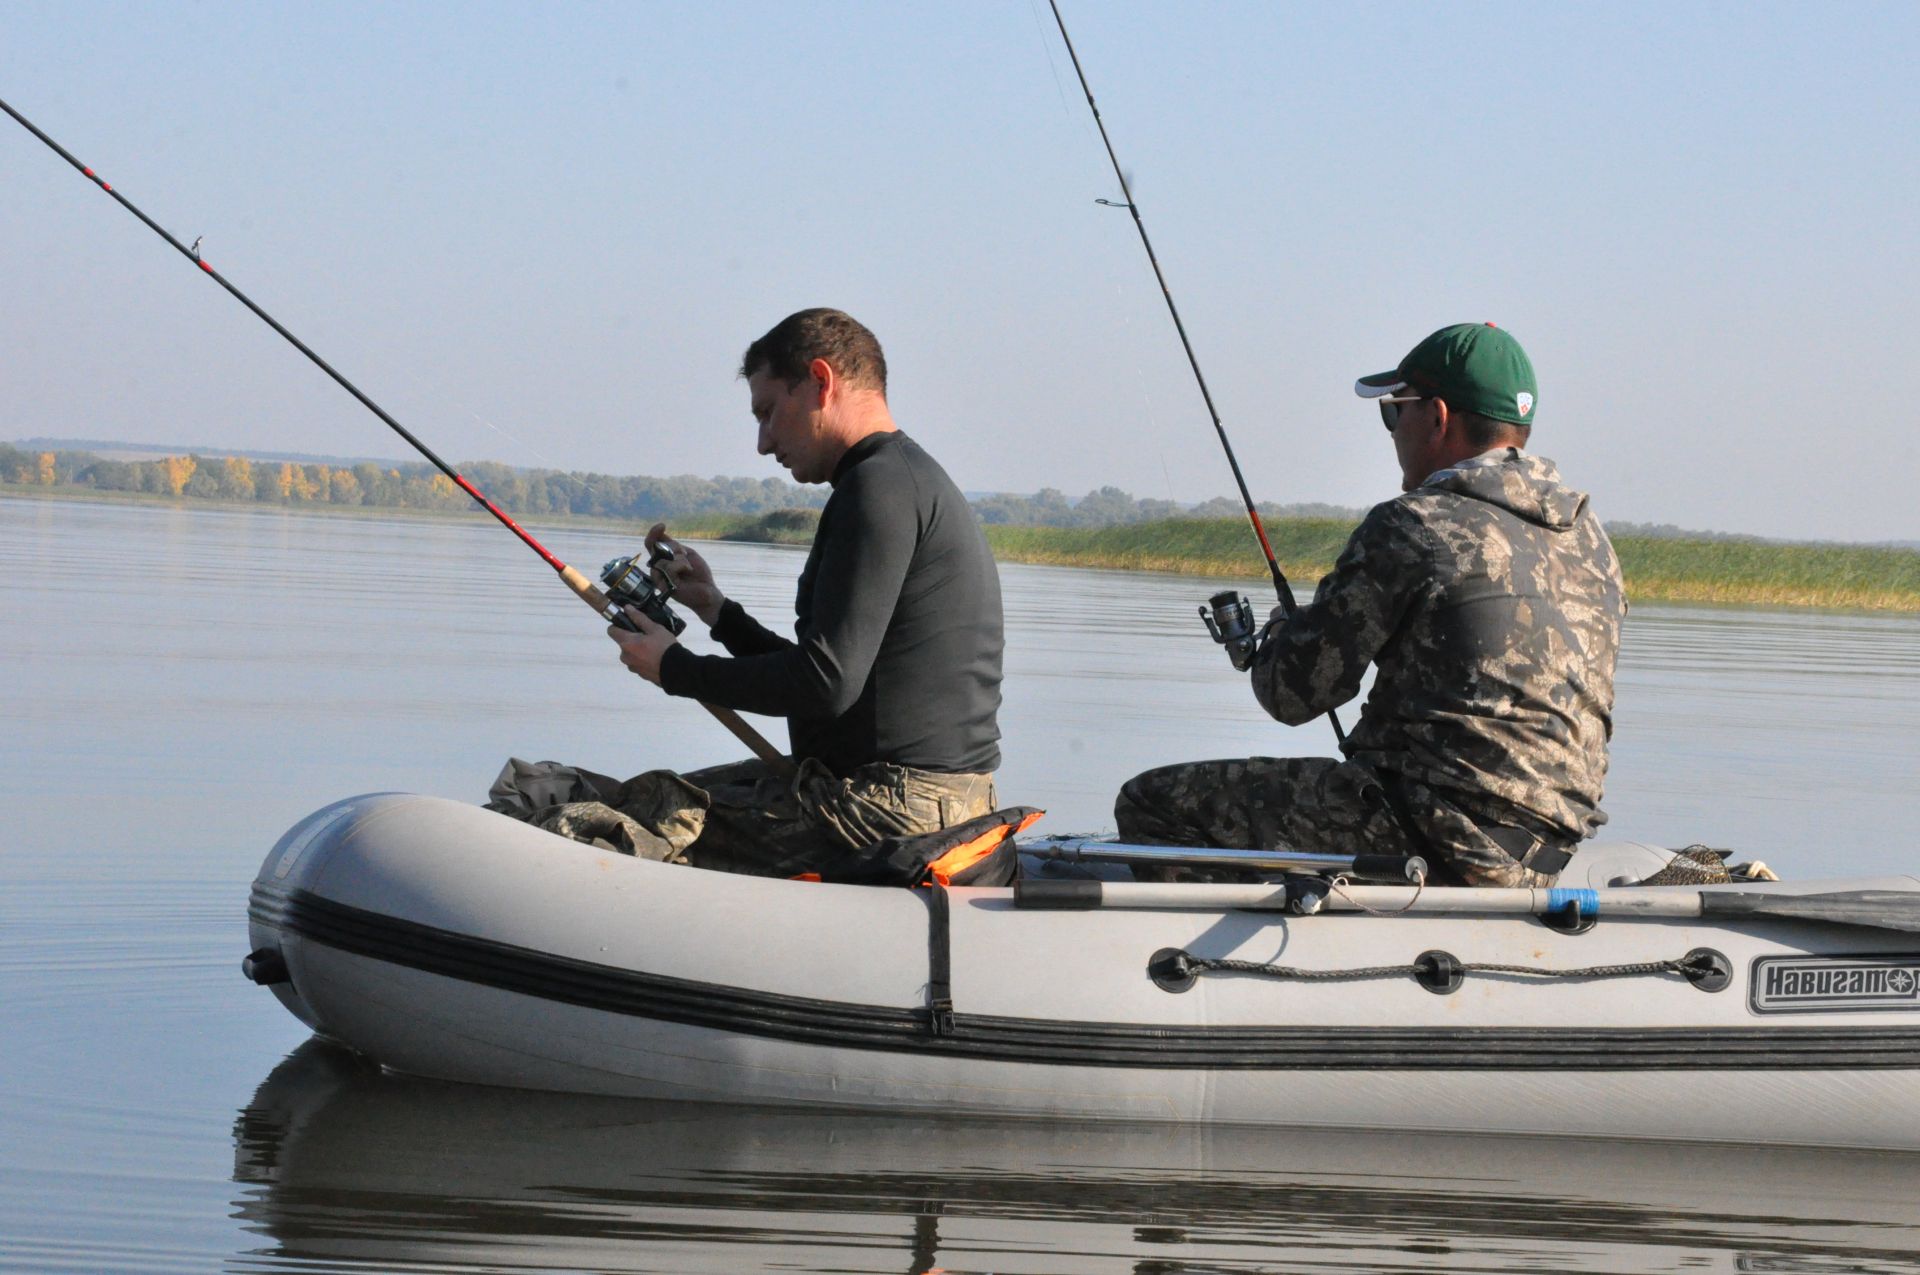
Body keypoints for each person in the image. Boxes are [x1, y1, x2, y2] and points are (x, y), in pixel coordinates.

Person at [488, 308, 1006, 879]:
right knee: (639, 793)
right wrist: (715, 610)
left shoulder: (878, 490)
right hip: (909, 797)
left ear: (820, 381)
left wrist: (675, 669)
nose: (762, 443)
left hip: (888, 813)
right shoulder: (897, 478)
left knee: (588, 819)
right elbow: (831, 675)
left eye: (767, 412)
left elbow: (824, 683)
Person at [1114, 322, 1624, 886]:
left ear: (1437, 416)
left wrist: (1283, 633)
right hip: (1547, 852)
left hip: (1439, 834)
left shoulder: (1415, 525)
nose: (1391, 431)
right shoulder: (1589, 538)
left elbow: (1292, 695)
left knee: (1152, 802)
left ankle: (1229, 969)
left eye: (1393, 410)